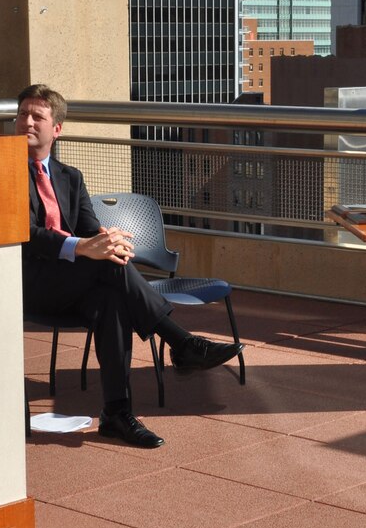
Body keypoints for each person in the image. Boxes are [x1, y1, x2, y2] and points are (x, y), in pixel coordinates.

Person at [19, 83, 243, 449]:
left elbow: (91, 228)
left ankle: (116, 414)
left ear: (56, 128)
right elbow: (25, 234)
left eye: (36, 116)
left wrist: (108, 240)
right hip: (33, 283)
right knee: (109, 267)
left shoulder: (69, 177)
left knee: (113, 300)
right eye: (22, 114)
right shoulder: (5, 171)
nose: (26, 121)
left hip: (76, 285)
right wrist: (83, 246)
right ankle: (180, 342)